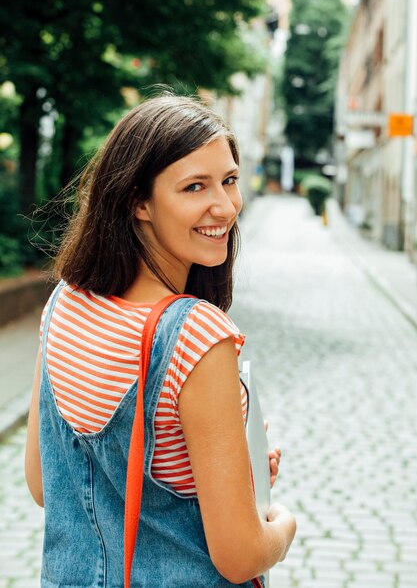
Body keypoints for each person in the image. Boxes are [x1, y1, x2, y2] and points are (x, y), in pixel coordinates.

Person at [25, 94, 296, 587]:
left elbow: (46, 484)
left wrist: (235, 471)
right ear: (138, 201)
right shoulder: (195, 335)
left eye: (229, 180)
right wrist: (281, 527)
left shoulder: (64, 302)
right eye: (195, 186)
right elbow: (240, 556)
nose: (225, 206)